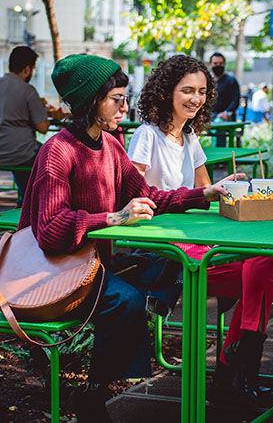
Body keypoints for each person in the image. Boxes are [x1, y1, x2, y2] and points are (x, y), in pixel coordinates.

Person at [17, 54, 229, 423]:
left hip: (95, 267)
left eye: (124, 97)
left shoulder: (112, 147)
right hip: (53, 273)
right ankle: (90, 395)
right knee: (127, 300)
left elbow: (149, 196)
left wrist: (204, 195)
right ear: (90, 101)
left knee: (177, 266)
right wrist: (113, 218)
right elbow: (50, 230)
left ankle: (97, 375)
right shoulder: (58, 151)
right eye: (117, 98)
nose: (125, 107)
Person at [128, 54, 273, 404]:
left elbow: (207, 195)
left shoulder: (190, 137)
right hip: (161, 252)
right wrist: (201, 195)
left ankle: (232, 369)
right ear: (167, 92)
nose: (195, 98)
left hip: (195, 245)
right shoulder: (146, 136)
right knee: (260, 267)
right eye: (186, 91)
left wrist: (229, 191)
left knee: (264, 261)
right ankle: (233, 373)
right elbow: (133, 196)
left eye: (201, 91)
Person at [0, 46, 49, 205]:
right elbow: (43, 127)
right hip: (20, 153)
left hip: (3, 151)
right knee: (49, 153)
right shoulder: (28, 91)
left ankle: (24, 198)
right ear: (27, 69)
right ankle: (32, 202)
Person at [210, 52, 240, 121]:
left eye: (221, 63)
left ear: (224, 64)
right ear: (210, 64)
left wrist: (226, 113)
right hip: (209, 116)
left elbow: (235, 100)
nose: (218, 65)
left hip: (226, 116)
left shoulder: (231, 81)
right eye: (215, 63)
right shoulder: (207, 81)